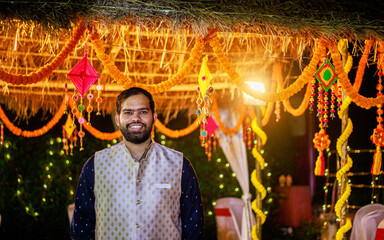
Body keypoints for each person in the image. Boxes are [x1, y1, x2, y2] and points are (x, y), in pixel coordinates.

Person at [70, 87, 204, 239]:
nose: (136, 118)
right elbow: (82, 226)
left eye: (143, 112)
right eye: (128, 112)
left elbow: (193, 226)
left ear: (153, 117)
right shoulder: (96, 165)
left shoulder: (179, 165)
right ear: (117, 119)